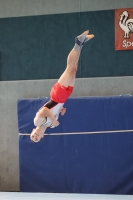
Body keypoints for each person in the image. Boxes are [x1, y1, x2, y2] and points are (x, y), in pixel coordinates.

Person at [30, 30, 94, 142]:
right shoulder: (51, 126)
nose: (35, 136)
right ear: (42, 137)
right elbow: (54, 110)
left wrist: (53, 119)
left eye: (33, 136)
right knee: (74, 69)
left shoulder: (37, 122)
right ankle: (81, 44)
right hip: (63, 99)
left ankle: (78, 42)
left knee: (69, 68)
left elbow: (45, 110)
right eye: (36, 139)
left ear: (33, 131)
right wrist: (61, 110)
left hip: (56, 96)